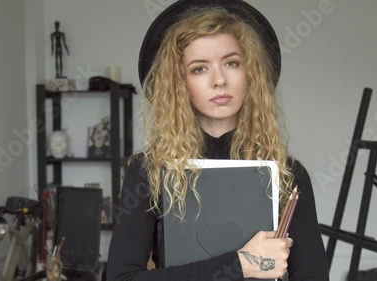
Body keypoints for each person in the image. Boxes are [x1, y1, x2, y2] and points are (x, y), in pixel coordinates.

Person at [107, 1, 329, 280]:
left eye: (232, 63)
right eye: (199, 68)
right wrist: (240, 265)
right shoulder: (148, 172)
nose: (219, 80)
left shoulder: (288, 175)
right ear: (179, 84)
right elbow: (120, 278)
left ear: (251, 75)